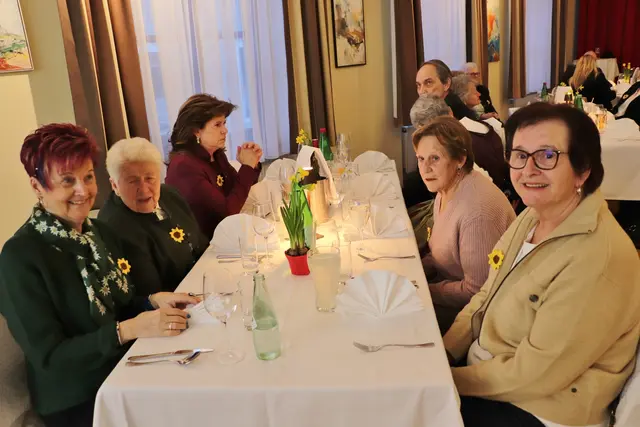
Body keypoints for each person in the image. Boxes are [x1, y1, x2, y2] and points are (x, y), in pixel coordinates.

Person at [444, 103, 640, 427]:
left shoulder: (597, 257)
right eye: (520, 155)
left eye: (547, 156)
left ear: (583, 169)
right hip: (490, 372)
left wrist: (447, 380)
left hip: (542, 407)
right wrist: (446, 352)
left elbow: (538, 373)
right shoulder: (533, 215)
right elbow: (485, 296)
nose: (528, 170)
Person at [0, 124, 199, 427]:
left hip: (123, 364)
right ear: (37, 186)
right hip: (77, 396)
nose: (84, 191)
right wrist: (126, 330)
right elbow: (50, 358)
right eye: (68, 180)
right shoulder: (20, 256)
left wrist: (152, 301)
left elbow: (118, 306)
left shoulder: (97, 234)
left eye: (88, 177)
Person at [413, 116, 515, 333]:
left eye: (435, 158)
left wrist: (423, 290)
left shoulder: (476, 212)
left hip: (473, 315)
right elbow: (442, 250)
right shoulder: (446, 188)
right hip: (447, 290)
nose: (425, 169)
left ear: (460, 159)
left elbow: (477, 291)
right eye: (420, 159)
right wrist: (414, 272)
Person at [99, 137, 209, 295]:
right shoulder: (114, 226)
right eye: (133, 181)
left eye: (149, 178)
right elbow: (149, 291)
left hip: (204, 285)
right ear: (114, 185)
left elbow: (200, 241)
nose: (144, 189)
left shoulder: (170, 195)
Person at [165, 94, 263, 240]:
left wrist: (251, 164)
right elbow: (227, 212)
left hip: (225, 235)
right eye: (217, 125)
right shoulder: (184, 166)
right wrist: (247, 167)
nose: (225, 130)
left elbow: (238, 192)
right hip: (204, 245)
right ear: (196, 131)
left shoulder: (216, 155)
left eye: (224, 123)